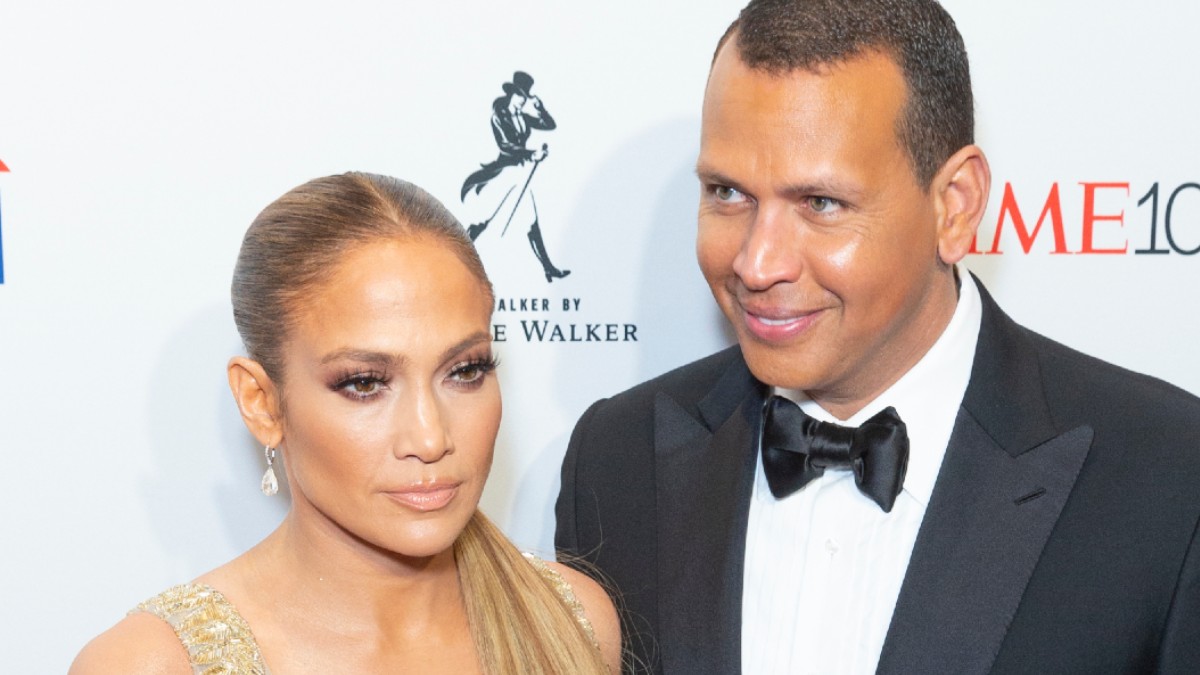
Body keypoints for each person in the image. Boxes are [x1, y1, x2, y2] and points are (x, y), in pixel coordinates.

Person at [555, 1, 1200, 674]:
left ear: (955, 205)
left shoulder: (1168, 480)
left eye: (820, 203)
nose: (757, 261)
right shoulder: (617, 460)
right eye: (728, 192)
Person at [71, 172, 620, 674]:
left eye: (465, 371)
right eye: (364, 383)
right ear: (261, 402)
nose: (430, 439)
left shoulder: (575, 622)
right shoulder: (152, 664)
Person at [460, 70, 570, 283]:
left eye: (525, 97)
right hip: (503, 173)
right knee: (483, 219)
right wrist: (531, 154)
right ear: (511, 95)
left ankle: (548, 268)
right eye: (519, 96)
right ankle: (455, 262)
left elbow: (550, 125)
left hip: (520, 173)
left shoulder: (524, 118)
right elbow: (506, 146)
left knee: (531, 221)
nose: (522, 101)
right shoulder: (498, 117)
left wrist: (539, 107)